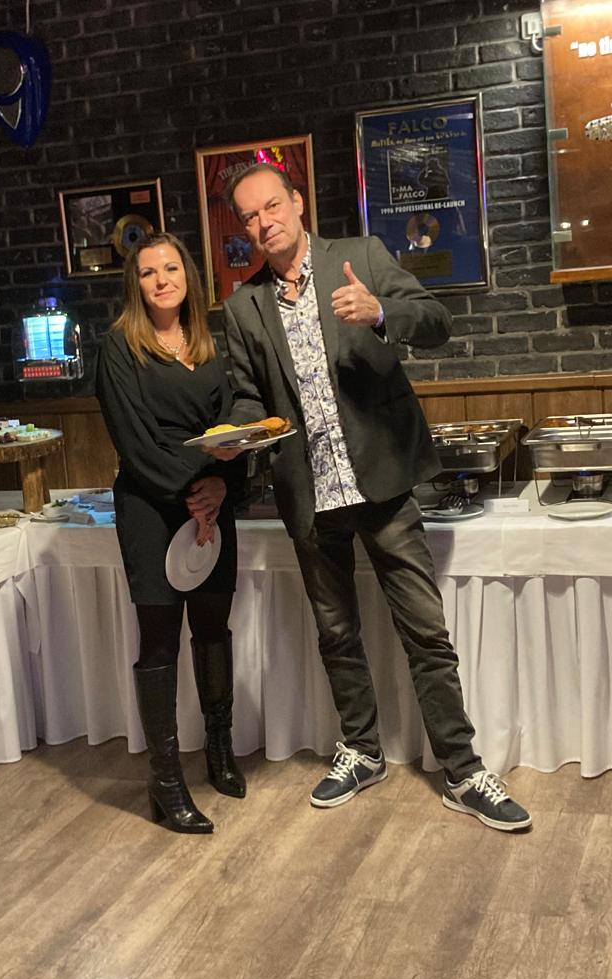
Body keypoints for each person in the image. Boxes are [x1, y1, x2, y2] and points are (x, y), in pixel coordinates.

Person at [222, 164, 531, 832]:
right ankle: (361, 751)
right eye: (249, 216)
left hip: (382, 482)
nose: (264, 222)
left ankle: (462, 769)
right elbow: (248, 393)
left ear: (297, 203)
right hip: (308, 492)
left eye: (272, 206)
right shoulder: (243, 307)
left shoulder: (360, 257)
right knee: (336, 634)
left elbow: (436, 321)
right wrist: (240, 433)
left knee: (424, 631)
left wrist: (382, 312)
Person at [95, 232, 245, 835]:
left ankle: (219, 749)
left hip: (213, 502)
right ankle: (165, 781)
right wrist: (197, 488)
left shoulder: (210, 344)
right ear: (135, 283)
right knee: (159, 642)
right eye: (148, 272)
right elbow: (137, 444)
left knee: (213, 627)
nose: (161, 280)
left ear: (188, 276)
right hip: (151, 508)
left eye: (171, 268)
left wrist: (221, 489)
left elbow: (232, 425)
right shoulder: (119, 348)